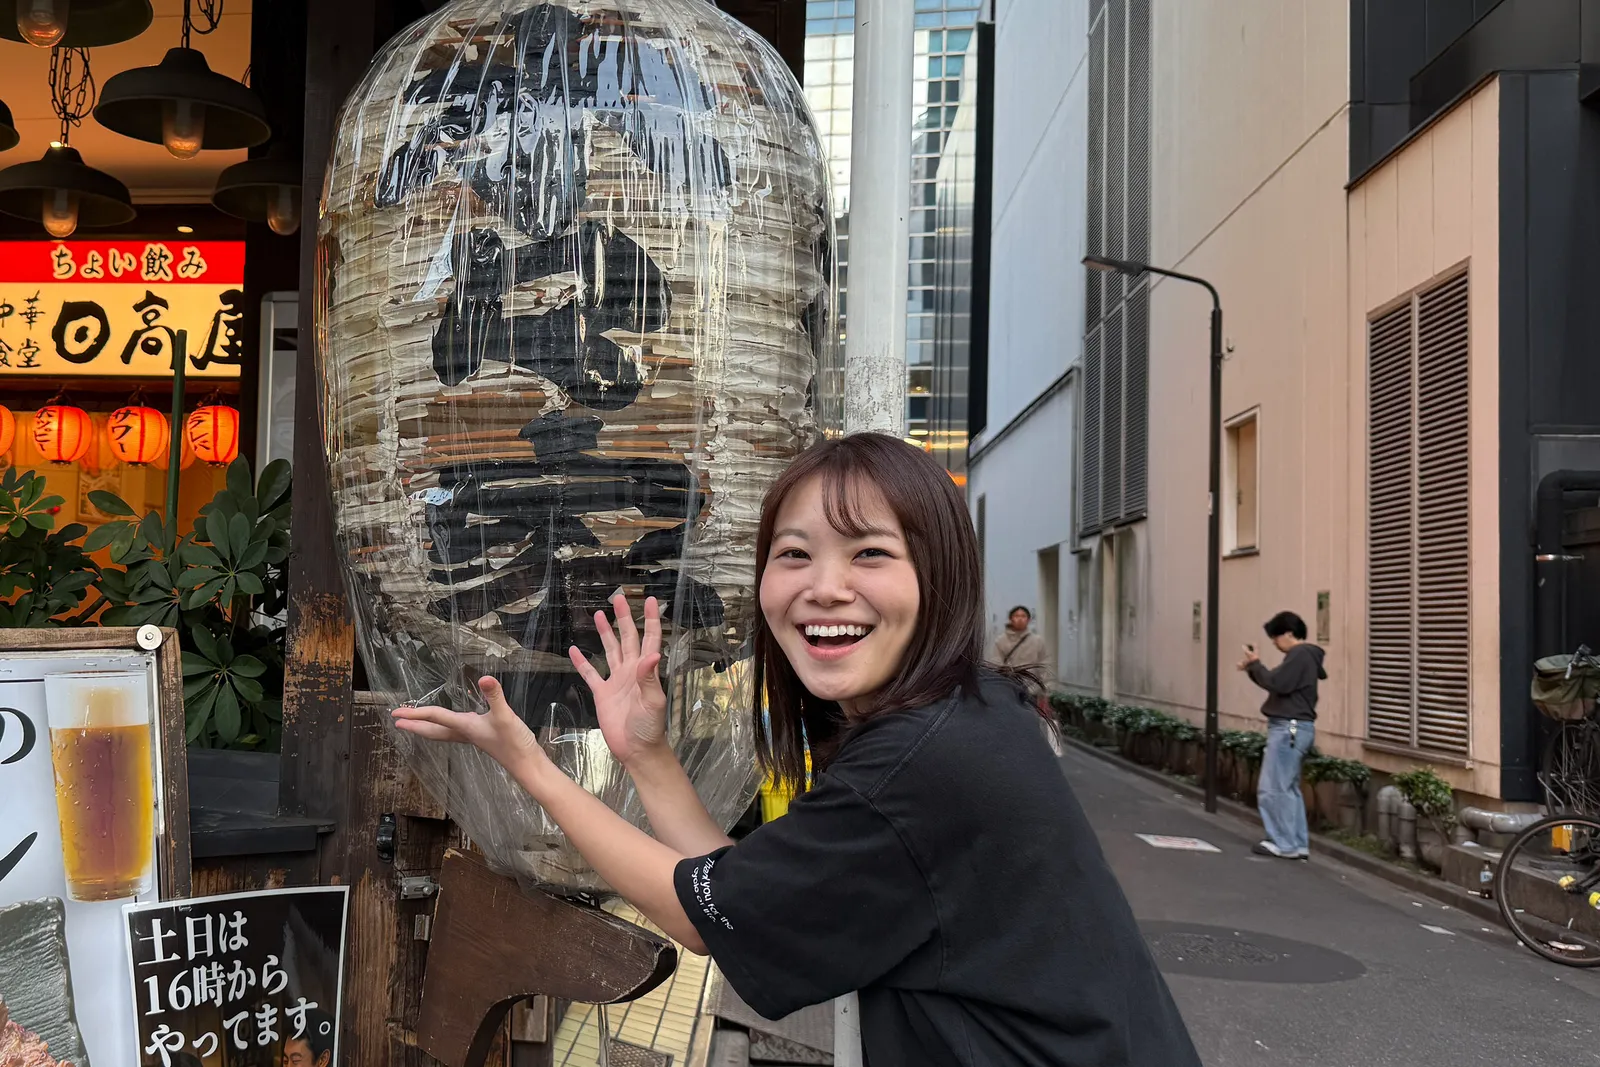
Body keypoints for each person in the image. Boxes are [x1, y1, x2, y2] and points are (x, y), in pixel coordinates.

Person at [393, 432, 1200, 1067]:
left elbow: (700, 914)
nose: (824, 586)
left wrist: (530, 765)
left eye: (870, 553)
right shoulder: (965, 713)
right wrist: (646, 752)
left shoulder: (926, 763)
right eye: (794, 553)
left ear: (941, 573)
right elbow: (742, 901)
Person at [1238, 610, 1327, 860]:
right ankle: (1296, 843)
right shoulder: (1306, 657)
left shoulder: (1299, 655)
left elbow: (1276, 683)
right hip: (1298, 728)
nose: (1275, 644)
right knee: (1288, 788)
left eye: (1276, 638)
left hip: (1289, 727)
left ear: (1289, 633)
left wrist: (1255, 664)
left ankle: (1282, 842)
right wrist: (1254, 667)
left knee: (1273, 787)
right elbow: (1277, 683)